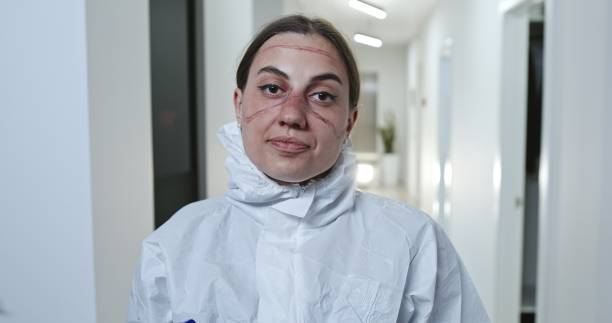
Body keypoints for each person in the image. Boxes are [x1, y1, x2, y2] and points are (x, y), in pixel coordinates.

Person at [127, 15, 490, 323]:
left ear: (350, 121)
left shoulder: (415, 243)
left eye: (322, 96)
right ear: (239, 106)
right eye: (272, 88)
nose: (292, 115)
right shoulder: (172, 249)